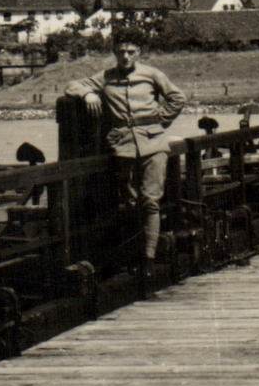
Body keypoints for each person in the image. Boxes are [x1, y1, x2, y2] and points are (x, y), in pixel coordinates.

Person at [64, 33, 186, 274]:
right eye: (121, 52)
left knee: (150, 200)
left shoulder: (151, 74)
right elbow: (72, 86)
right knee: (130, 201)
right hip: (123, 147)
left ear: (138, 52)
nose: (126, 56)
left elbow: (177, 98)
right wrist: (87, 94)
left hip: (153, 144)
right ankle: (132, 255)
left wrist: (159, 122)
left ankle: (149, 258)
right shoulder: (107, 77)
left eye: (131, 51)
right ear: (115, 53)